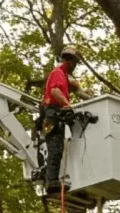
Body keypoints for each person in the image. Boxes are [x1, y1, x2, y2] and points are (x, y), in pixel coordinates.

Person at [41, 45, 82, 194]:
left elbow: (75, 88)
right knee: (55, 148)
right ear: (70, 61)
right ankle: (52, 182)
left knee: (58, 148)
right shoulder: (58, 73)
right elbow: (54, 91)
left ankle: (53, 180)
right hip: (53, 114)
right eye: (75, 63)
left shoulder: (64, 76)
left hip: (55, 114)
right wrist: (67, 105)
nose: (75, 67)